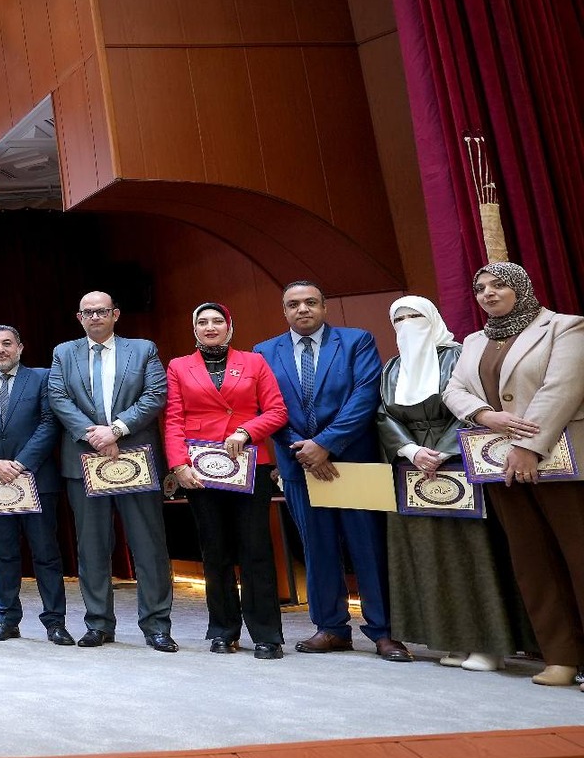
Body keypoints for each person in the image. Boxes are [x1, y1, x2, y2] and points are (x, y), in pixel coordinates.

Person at [443, 263, 584, 690]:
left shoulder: (564, 327)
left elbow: (562, 388)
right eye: (480, 288)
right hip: (498, 464)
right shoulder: (473, 341)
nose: (488, 293)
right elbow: (453, 390)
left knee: (579, 554)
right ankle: (561, 656)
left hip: (560, 459)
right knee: (531, 560)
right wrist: (484, 415)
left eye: (499, 285)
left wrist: (527, 446)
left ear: (521, 287)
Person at [379, 295, 534, 672]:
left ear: (432, 317)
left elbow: (472, 405)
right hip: (413, 468)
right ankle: (450, 639)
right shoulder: (392, 367)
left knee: (470, 554)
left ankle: (489, 645)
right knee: (428, 556)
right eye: (399, 319)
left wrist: (444, 451)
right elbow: (383, 414)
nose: (408, 324)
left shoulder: (459, 355)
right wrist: (411, 450)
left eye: (415, 316)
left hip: (461, 461)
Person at [252, 281, 403, 660]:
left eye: (310, 302)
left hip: (352, 461)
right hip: (298, 464)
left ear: (324, 307)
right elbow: (266, 407)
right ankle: (331, 628)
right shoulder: (263, 352)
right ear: (284, 311)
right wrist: (304, 449)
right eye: (293, 304)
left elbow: (365, 395)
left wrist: (325, 444)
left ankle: (384, 632)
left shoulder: (356, 342)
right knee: (317, 548)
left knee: (368, 548)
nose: (302, 309)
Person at [47, 291, 176, 651]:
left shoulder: (143, 349)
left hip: (134, 458)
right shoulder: (63, 353)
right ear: (79, 318)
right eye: (88, 312)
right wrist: (95, 435)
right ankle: (98, 624)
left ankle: (157, 625)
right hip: (84, 460)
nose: (95, 317)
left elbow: (155, 394)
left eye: (102, 311)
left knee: (148, 546)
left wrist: (116, 430)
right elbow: (58, 398)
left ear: (115, 314)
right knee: (92, 548)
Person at [163, 303, 289, 658]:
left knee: (256, 549)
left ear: (229, 327)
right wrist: (178, 465)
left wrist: (247, 430)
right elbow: (173, 419)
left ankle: (267, 634)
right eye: (202, 322)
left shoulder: (254, 362)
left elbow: (277, 411)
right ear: (195, 330)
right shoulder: (178, 366)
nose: (210, 327)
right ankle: (223, 630)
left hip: (249, 465)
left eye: (217, 321)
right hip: (201, 470)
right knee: (214, 551)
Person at [0, 325, 71, 644]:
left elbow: (50, 423)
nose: (0, 350)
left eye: (7, 343)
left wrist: (21, 463)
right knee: (4, 555)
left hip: (36, 480)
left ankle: (55, 622)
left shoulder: (42, 377)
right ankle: (7, 620)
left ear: (20, 347)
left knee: (46, 554)